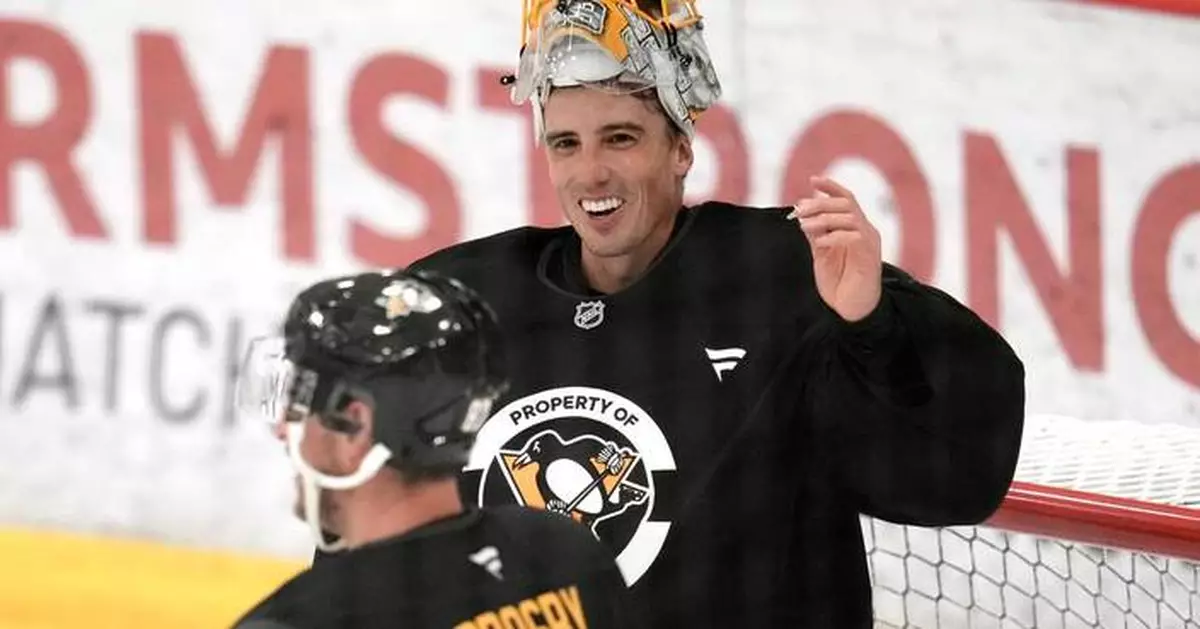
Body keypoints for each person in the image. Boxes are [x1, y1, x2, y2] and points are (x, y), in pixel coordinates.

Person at [231, 269, 639, 629]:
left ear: (355, 427)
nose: (284, 429)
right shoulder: (563, 555)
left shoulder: (300, 620)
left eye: (300, 403)